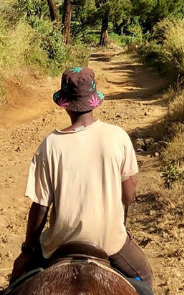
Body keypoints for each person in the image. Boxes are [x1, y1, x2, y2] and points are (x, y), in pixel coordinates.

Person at [10, 67, 154, 289]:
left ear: (65, 104)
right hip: (110, 242)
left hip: (59, 244)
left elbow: (39, 208)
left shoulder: (50, 145)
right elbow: (129, 196)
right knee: (144, 278)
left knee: (17, 284)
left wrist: (27, 252)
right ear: (94, 101)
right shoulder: (118, 137)